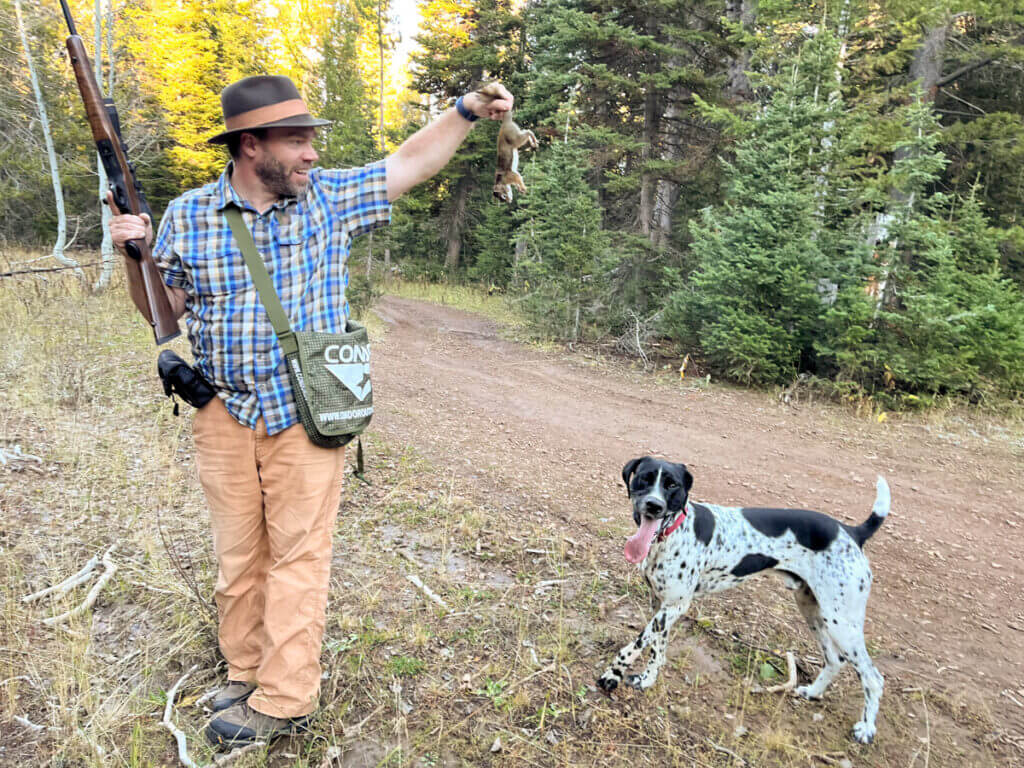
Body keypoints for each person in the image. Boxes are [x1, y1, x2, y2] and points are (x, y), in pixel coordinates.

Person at [108, 75, 514, 747]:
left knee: (298, 557)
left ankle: (285, 696)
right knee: (237, 556)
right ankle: (245, 670)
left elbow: (409, 160)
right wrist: (135, 255)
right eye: (296, 141)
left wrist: (468, 111)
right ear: (249, 145)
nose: (311, 155)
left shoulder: (329, 199)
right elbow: (163, 313)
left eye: (310, 141)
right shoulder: (187, 214)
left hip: (306, 410)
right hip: (221, 409)